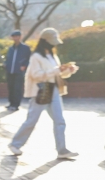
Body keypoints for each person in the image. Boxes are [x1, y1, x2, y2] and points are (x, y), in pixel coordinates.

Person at [7, 29, 79, 160]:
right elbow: (36, 75)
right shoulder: (36, 57)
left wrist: (68, 70)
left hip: (54, 90)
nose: (54, 45)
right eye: (52, 42)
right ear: (45, 41)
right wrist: (57, 70)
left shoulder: (52, 56)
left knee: (60, 120)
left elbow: (57, 74)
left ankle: (62, 150)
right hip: (40, 91)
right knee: (32, 120)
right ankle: (15, 144)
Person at [3, 29, 31, 111]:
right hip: (10, 71)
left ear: (20, 37)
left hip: (19, 71)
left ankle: (16, 104)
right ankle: (11, 103)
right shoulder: (11, 48)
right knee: (10, 87)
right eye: (13, 37)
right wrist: (6, 64)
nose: (15, 38)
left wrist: (24, 65)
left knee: (17, 88)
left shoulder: (25, 48)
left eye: (16, 36)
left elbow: (29, 59)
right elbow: (8, 58)